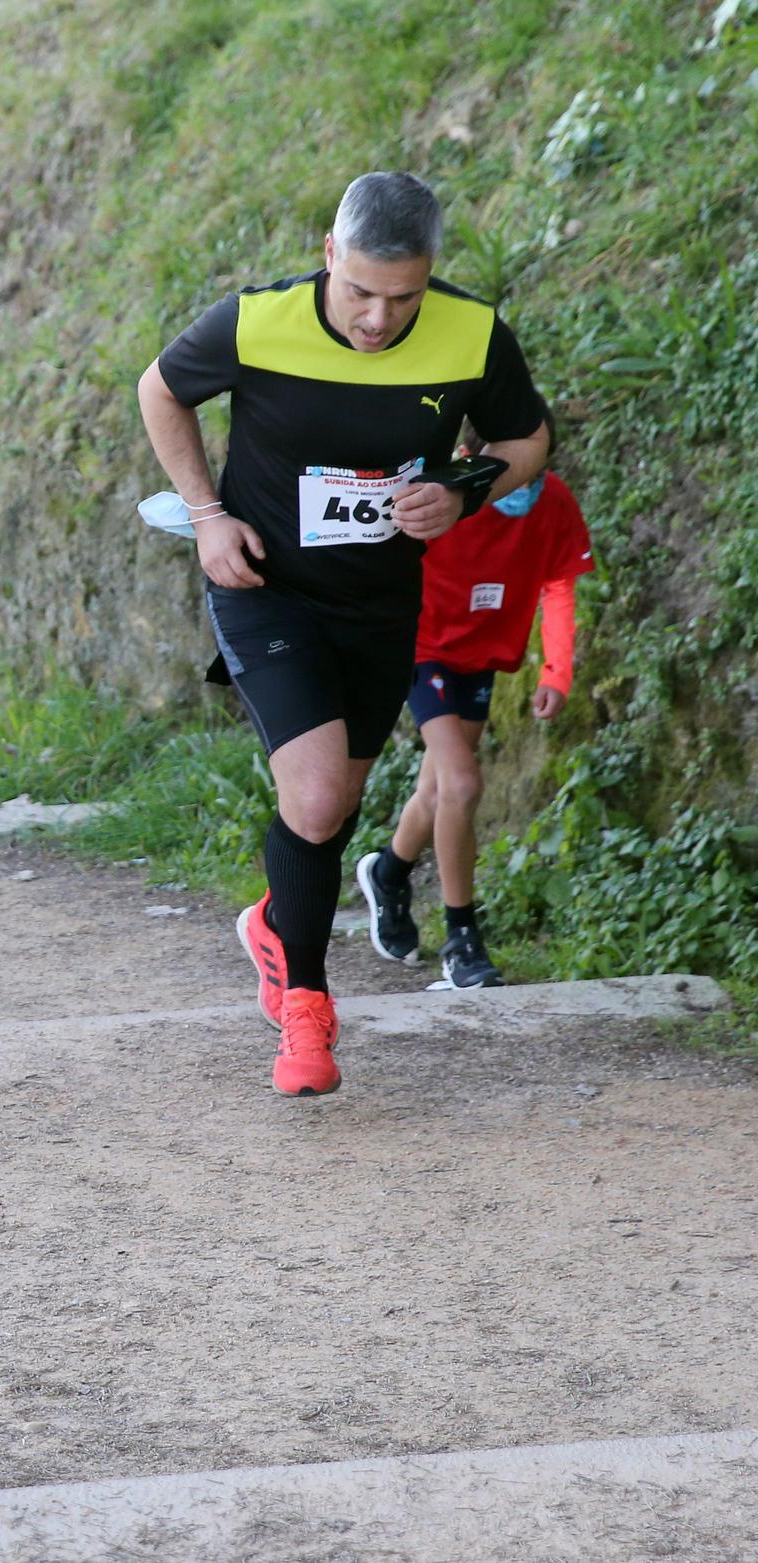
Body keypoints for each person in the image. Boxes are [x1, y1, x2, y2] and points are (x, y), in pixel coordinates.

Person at [137, 171, 550, 1097]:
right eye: (359, 290)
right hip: (267, 586)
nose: (376, 317)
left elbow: (528, 440)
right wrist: (207, 515)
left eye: (402, 296)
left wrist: (460, 488)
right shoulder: (256, 323)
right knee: (318, 799)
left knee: (334, 804)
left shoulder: (471, 333)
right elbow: (159, 390)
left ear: (430, 275)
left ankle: (274, 919)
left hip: (379, 600)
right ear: (328, 253)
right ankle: (308, 1015)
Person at [356, 435, 594, 989]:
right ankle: (462, 940)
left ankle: (388, 872)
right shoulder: (439, 495)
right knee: (462, 784)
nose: (522, 486)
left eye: (534, 471)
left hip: (481, 653)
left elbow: (559, 585)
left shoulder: (553, 501)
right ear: (470, 454)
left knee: (439, 791)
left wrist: (556, 671)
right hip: (420, 646)